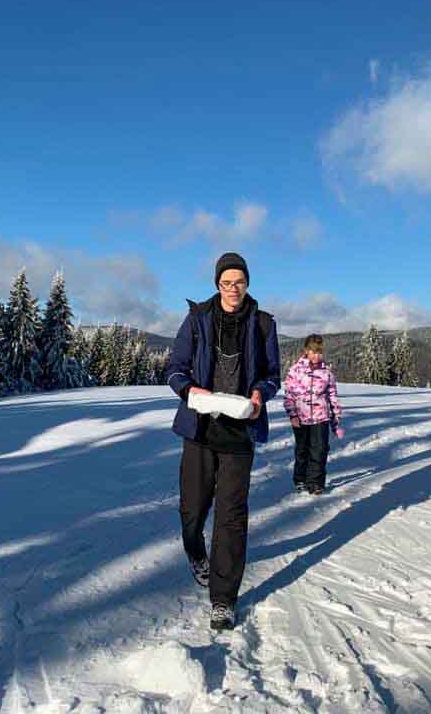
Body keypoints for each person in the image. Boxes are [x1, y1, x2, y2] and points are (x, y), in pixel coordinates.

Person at [165, 252, 281, 631]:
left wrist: (262, 393)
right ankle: (196, 551)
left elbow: (271, 375)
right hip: (199, 429)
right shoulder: (197, 319)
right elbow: (175, 369)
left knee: (231, 517)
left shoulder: (262, 324)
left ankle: (223, 599)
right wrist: (188, 390)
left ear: (248, 284)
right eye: (226, 282)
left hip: (239, 431)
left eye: (240, 282)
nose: (233, 289)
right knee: (192, 511)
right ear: (217, 284)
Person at [283, 334, 344, 495]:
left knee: (320, 450)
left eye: (319, 352)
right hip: (301, 418)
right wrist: (293, 415)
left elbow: (333, 397)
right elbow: (289, 395)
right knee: (303, 450)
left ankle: (315, 483)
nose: (316, 355)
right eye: (313, 351)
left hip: (320, 417)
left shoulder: (326, 373)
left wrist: (336, 421)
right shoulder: (296, 370)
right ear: (306, 351)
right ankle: (300, 479)